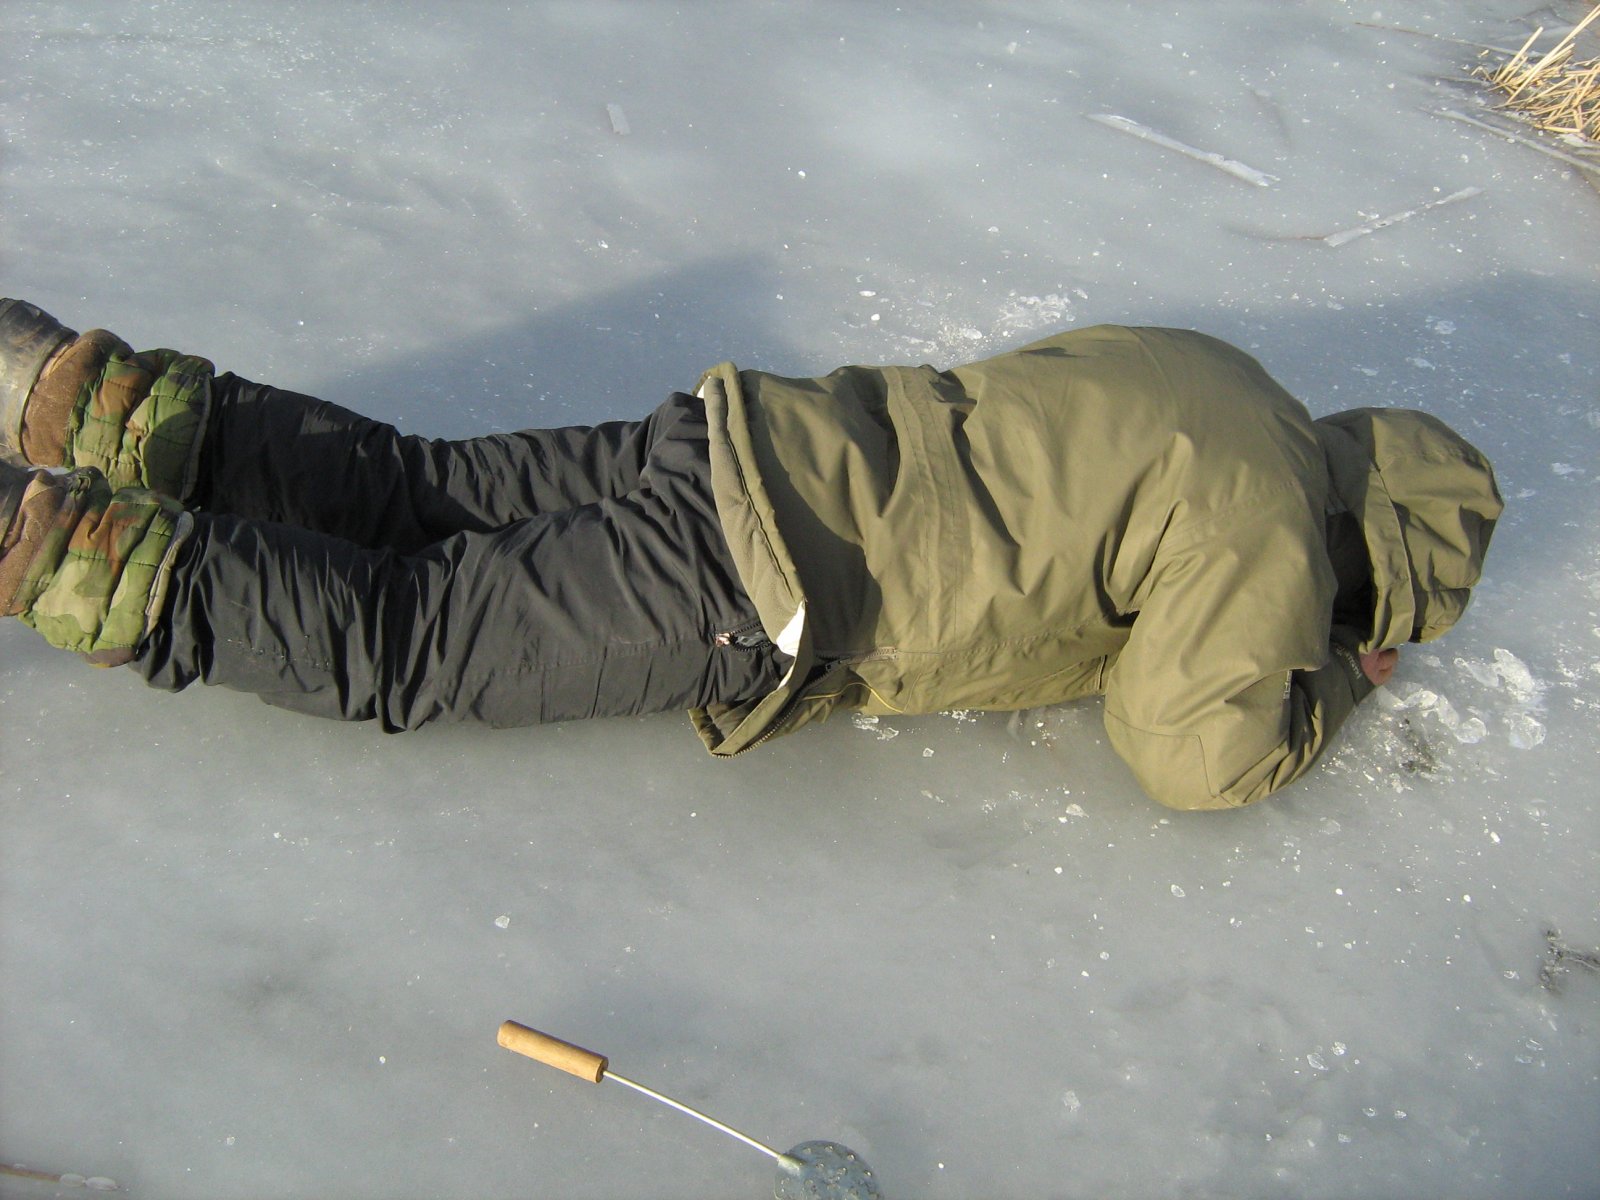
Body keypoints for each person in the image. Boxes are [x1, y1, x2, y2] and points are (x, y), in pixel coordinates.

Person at [1, 296, 1501, 810]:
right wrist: (1338, 684)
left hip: (739, 438)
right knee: (405, 639)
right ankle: (41, 541)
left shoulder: (1229, 381)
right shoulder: (1266, 530)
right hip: (753, 577)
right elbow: (1190, 750)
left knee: (407, 490)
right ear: (1371, 557)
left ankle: (73, 391)